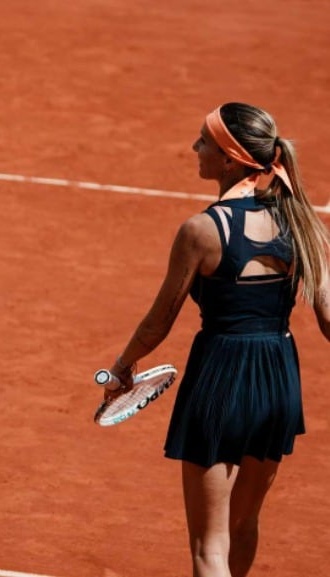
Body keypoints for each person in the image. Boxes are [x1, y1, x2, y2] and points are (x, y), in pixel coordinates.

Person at [102, 102, 330, 577]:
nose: (194, 148)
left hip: (221, 379)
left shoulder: (202, 231)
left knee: (209, 548)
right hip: (278, 382)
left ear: (229, 160)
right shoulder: (304, 223)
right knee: (244, 523)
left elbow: (158, 322)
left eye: (203, 141)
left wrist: (123, 366)